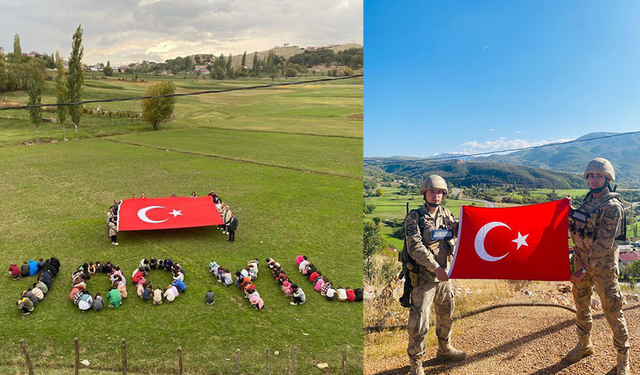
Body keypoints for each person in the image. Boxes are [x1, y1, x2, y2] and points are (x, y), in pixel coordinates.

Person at [567, 158, 629, 374]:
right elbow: (578, 226)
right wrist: (567, 210)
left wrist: (583, 269)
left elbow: (604, 243)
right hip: (581, 265)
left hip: (601, 269)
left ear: (607, 178)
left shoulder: (612, 207)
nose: (594, 179)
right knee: (581, 306)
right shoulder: (586, 203)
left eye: (599, 175)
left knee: (613, 311)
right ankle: (584, 345)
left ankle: (623, 359)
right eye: (591, 175)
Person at [403, 175, 465, 375]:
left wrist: (458, 230)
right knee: (419, 324)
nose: (436, 195)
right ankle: (416, 365)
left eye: (440, 192)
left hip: (444, 276)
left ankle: (444, 349)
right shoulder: (415, 217)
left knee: (446, 315)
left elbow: (454, 235)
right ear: (424, 193)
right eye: (432, 191)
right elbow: (415, 247)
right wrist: (435, 268)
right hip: (424, 279)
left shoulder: (446, 214)